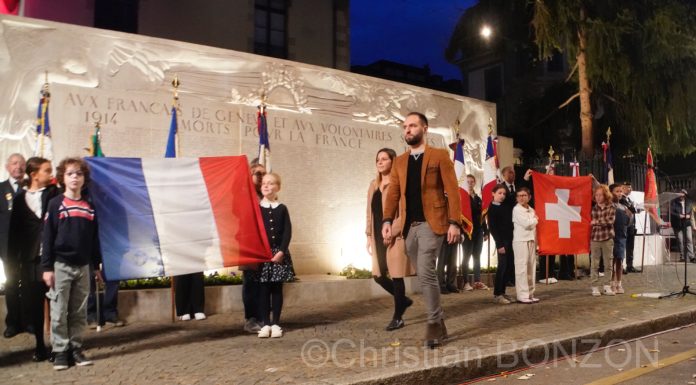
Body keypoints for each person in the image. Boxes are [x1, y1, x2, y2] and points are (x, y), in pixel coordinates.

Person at [382, 112, 462, 349]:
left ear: (424, 129)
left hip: (433, 222)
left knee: (427, 272)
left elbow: (452, 190)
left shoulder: (439, 155)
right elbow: (394, 193)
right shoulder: (399, 162)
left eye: (413, 125)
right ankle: (441, 322)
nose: (408, 130)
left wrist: (454, 222)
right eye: (405, 126)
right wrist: (387, 220)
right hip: (409, 227)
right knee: (424, 274)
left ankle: (433, 324)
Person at [42, 157, 101, 369]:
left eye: (79, 173)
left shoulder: (89, 207)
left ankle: (76, 348)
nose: (75, 177)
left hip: (83, 266)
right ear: (62, 178)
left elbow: (94, 240)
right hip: (60, 266)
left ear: (84, 178)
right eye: (70, 173)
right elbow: (47, 237)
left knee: (79, 311)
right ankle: (60, 351)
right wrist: (47, 268)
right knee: (58, 311)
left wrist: (95, 265)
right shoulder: (56, 204)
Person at [6, 156, 57, 361]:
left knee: (57, 304)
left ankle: (58, 346)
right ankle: (39, 346)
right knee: (34, 305)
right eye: (47, 170)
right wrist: (12, 263)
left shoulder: (54, 194)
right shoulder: (19, 199)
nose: (51, 174)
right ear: (34, 174)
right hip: (30, 262)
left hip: (52, 259)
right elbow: (14, 233)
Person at [366, 148, 413, 331]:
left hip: (395, 235)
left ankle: (398, 317)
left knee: (396, 275)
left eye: (384, 159)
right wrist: (369, 235)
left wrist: (392, 231)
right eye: (378, 159)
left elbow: (404, 213)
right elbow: (369, 213)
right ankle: (404, 300)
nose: (380, 162)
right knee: (378, 276)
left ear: (393, 161)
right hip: (377, 235)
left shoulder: (399, 185)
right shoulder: (373, 185)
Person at [256, 172, 295, 338]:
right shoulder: (257, 209)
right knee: (263, 290)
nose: (266, 185)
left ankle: (276, 323)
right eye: (264, 183)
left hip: (278, 254)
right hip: (263, 255)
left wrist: (281, 251)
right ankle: (265, 323)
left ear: (278, 187)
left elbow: (287, 231)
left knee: (277, 289)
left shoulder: (282, 208)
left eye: (270, 183)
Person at [1, 153, 26, 339]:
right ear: (7, 167)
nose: (18, 166)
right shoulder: (1, 189)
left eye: (21, 163)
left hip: (28, 246)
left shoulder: (30, 189)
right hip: (7, 246)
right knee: (11, 285)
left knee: (28, 285)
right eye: (14, 163)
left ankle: (29, 321)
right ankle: (13, 323)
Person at [240, 161, 266, 333]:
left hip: (265, 246)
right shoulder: (243, 194)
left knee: (264, 283)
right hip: (248, 244)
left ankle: (264, 316)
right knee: (250, 283)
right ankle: (251, 319)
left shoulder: (266, 196)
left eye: (263, 173)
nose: (261, 176)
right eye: (257, 173)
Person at [487, 184, 515, 304]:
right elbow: (493, 228)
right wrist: (499, 245)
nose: (502, 196)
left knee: (508, 266)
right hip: (502, 242)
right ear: (493, 193)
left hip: (511, 240)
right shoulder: (492, 208)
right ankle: (497, 294)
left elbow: (514, 196)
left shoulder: (506, 205)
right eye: (499, 193)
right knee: (502, 267)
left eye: (504, 193)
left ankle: (503, 292)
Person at [461, 174, 488, 291]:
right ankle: (466, 282)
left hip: (478, 231)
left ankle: (477, 281)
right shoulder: (462, 198)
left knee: (477, 256)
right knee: (466, 257)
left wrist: (486, 231)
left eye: (472, 181)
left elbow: (482, 216)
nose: (470, 183)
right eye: (468, 181)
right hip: (467, 232)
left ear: (474, 183)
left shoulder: (478, 199)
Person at [512, 187, 539, 304]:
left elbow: (533, 228)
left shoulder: (532, 210)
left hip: (531, 240)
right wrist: (535, 220)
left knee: (531, 267)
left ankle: (530, 293)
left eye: (524, 195)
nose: (521, 198)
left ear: (529, 197)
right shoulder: (516, 210)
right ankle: (522, 294)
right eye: (519, 196)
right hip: (520, 241)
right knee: (521, 268)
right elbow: (526, 224)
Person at [590, 185, 616, 297]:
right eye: (596, 195)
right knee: (594, 264)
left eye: (600, 195)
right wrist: (599, 222)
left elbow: (610, 221)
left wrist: (596, 222)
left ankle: (607, 286)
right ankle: (594, 287)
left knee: (608, 264)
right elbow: (593, 220)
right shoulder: (593, 208)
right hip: (595, 238)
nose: (598, 197)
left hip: (607, 238)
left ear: (605, 195)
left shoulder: (611, 207)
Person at [610, 184, 630, 294]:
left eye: (620, 191)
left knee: (620, 261)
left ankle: (619, 283)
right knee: (611, 261)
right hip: (612, 236)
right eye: (617, 191)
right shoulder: (609, 206)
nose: (619, 194)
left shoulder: (624, 207)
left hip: (622, 237)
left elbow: (628, 223)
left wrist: (630, 216)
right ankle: (612, 283)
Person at [670, 189, 694, 263]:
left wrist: (688, 216)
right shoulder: (674, 203)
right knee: (680, 240)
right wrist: (678, 215)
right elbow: (671, 212)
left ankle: (691, 256)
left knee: (689, 239)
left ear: (685, 195)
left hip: (687, 223)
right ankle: (683, 256)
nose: (681, 195)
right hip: (677, 224)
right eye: (680, 194)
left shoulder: (689, 202)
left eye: (683, 194)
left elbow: (691, 212)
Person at [621, 182, 639, 272]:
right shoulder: (621, 198)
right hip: (623, 226)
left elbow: (633, 210)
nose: (630, 189)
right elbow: (631, 209)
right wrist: (635, 208)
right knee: (622, 246)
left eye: (631, 187)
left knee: (630, 247)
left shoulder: (629, 199)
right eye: (628, 187)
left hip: (631, 225)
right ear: (623, 188)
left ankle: (630, 265)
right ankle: (620, 266)